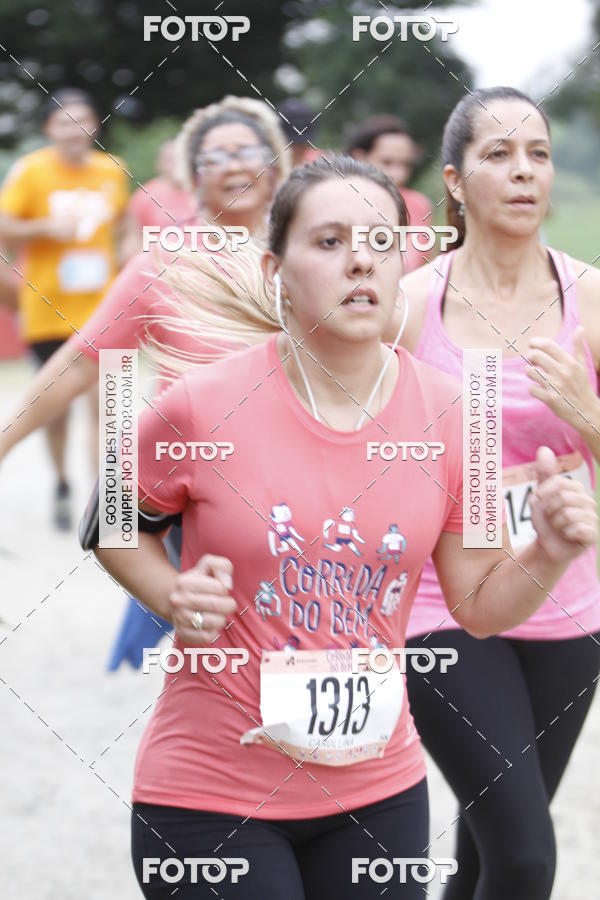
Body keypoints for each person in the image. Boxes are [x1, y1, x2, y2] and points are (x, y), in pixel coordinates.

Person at [89, 154, 596, 899]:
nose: (360, 258)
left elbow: (480, 607)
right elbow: (115, 520)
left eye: (381, 241)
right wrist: (170, 596)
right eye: (329, 242)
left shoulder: (460, 417)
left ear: (406, 264)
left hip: (377, 794)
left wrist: (549, 552)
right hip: (210, 795)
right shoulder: (203, 405)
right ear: (276, 270)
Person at [390, 87, 600, 900]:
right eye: (499, 155)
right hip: (442, 607)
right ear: (454, 178)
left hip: (567, 603)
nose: (523, 173)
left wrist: (587, 415)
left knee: (491, 847)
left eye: (538, 155)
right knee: (524, 857)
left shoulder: (589, 297)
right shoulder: (410, 306)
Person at [0, 94, 290, 664]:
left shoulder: (314, 250)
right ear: (190, 177)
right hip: (206, 486)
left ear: (275, 163)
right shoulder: (164, 263)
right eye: (214, 157)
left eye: (248, 151)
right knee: (234, 642)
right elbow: (81, 365)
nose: (234, 165)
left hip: (314, 477)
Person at [0, 88, 130, 528]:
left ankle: (105, 501)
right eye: (64, 123)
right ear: (48, 129)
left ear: (95, 126)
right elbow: (3, 226)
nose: (75, 132)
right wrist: (43, 226)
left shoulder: (112, 170)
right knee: (55, 410)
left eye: (83, 122)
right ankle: (60, 481)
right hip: (47, 308)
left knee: (109, 405)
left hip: (104, 308)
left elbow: (124, 226)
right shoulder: (32, 171)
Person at [345, 115, 432, 273]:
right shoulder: (337, 202)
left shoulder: (417, 205)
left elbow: (415, 262)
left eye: (405, 164)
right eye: (387, 162)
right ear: (359, 157)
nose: (398, 174)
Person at [125, 139, 196, 241]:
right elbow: (132, 238)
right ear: (158, 163)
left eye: (180, 158)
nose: (175, 164)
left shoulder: (204, 193)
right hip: (156, 255)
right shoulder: (144, 196)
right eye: (170, 159)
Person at [278, 99, 323, 167]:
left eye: (303, 144)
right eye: (291, 144)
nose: (297, 150)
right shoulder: (265, 168)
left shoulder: (321, 163)